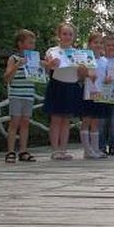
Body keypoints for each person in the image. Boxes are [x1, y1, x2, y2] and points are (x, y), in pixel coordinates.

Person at [43, 23, 85, 160]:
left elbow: (81, 75)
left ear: (74, 37)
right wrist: (50, 64)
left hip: (71, 86)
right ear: (59, 35)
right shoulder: (52, 51)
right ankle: (55, 150)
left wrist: (83, 69)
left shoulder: (79, 54)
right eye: (64, 33)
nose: (67, 36)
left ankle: (63, 149)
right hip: (57, 85)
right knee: (56, 119)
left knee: (66, 120)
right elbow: (47, 70)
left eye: (70, 34)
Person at [3, 29, 38, 163]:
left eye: (33, 43)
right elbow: (7, 78)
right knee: (14, 123)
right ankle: (10, 151)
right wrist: (17, 65)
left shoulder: (34, 59)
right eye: (30, 43)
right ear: (20, 44)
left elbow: (42, 72)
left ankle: (23, 151)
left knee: (25, 123)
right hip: (16, 95)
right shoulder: (13, 58)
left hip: (29, 95)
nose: (32, 46)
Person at [79, 31, 109, 159]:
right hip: (87, 92)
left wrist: (108, 79)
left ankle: (95, 148)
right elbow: (79, 75)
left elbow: (105, 75)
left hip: (100, 93)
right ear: (90, 44)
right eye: (95, 42)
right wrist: (87, 74)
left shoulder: (104, 60)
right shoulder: (84, 58)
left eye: (100, 43)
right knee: (86, 120)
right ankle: (87, 150)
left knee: (96, 121)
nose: (98, 45)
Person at [97, 34, 114, 156]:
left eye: (113, 45)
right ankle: (101, 146)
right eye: (108, 45)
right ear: (103, 46)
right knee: (101, 121)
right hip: (102, 95)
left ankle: (113, 145)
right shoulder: (99, 60)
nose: (111, 47)